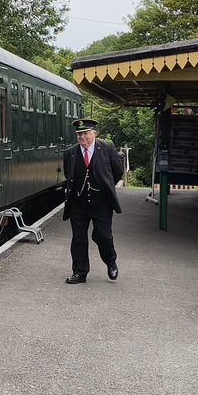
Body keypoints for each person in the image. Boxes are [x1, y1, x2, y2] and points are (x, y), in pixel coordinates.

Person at [61, 117, 124, 283]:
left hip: (101, 204)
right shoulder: (70, 153)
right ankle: (79, 272)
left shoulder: (107, 149)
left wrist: (106, 187)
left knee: (104, 236)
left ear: (94, 133)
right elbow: (69, 175)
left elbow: (117, 172)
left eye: (85, 133)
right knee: (78, 238)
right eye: (79, 134)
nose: (82, 137)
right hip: (78, 204)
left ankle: (111, 261)